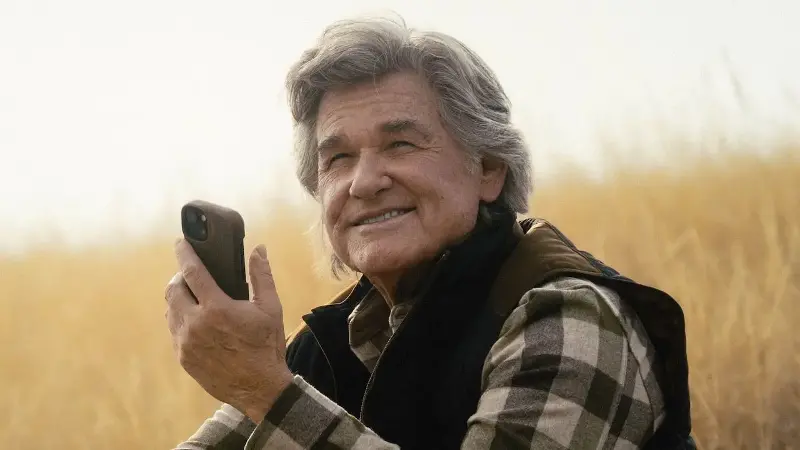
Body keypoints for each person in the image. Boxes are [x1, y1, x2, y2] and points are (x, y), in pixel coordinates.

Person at [164, 14, 696, 450]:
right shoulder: (337, 340)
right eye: (338, 158)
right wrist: (260, 383)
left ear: (488, 169)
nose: (364, 182)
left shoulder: (570, 319)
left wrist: (268, 392)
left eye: (400, 144)